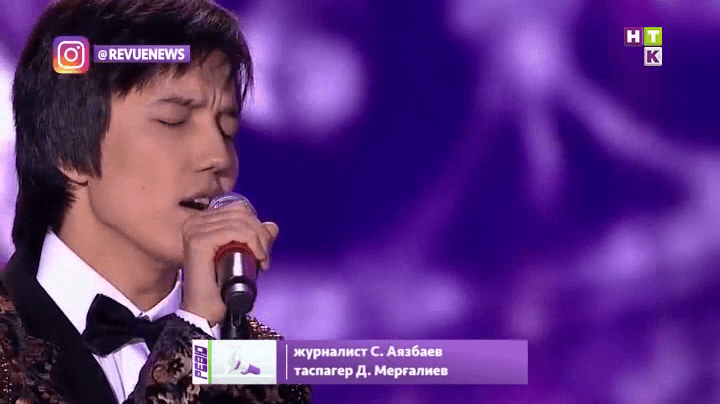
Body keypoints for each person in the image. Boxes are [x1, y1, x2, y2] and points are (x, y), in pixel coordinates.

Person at [0, 0, 312, 402]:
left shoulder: (263, 366)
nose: (218, 158)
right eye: (173, 121)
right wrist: (193, 332)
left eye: (227, 129)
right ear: (69, 151)